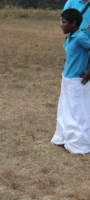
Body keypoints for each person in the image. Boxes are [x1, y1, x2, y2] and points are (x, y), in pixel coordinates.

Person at [51, 9, 90, 154]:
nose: (61, 24)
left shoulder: (81, 37)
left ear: (73, 23)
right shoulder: (70, 36)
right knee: (64, 108)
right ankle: (64, 137)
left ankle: (79, 144)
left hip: (76, 80)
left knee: (76, 111)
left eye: (64, 22)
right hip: (66, 78)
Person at [61, 0, 90, 69]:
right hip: (74, 48)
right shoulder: (71, 2)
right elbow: (62, 21)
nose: (62, 25)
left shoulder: (81, 37)